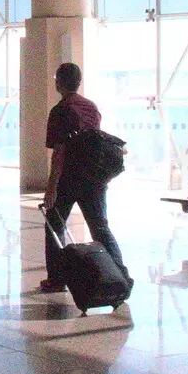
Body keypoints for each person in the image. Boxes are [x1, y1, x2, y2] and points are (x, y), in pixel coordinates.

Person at [39, 62, 127, 294]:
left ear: (59, 81)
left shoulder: (60, 111)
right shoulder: (90, 107)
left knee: (54, 226)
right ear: (79, 82)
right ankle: (120, 275)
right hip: (95, 178)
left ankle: (57, 279)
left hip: (70, 178)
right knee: (100, 228)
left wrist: (51, 187)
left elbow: (60, 153)